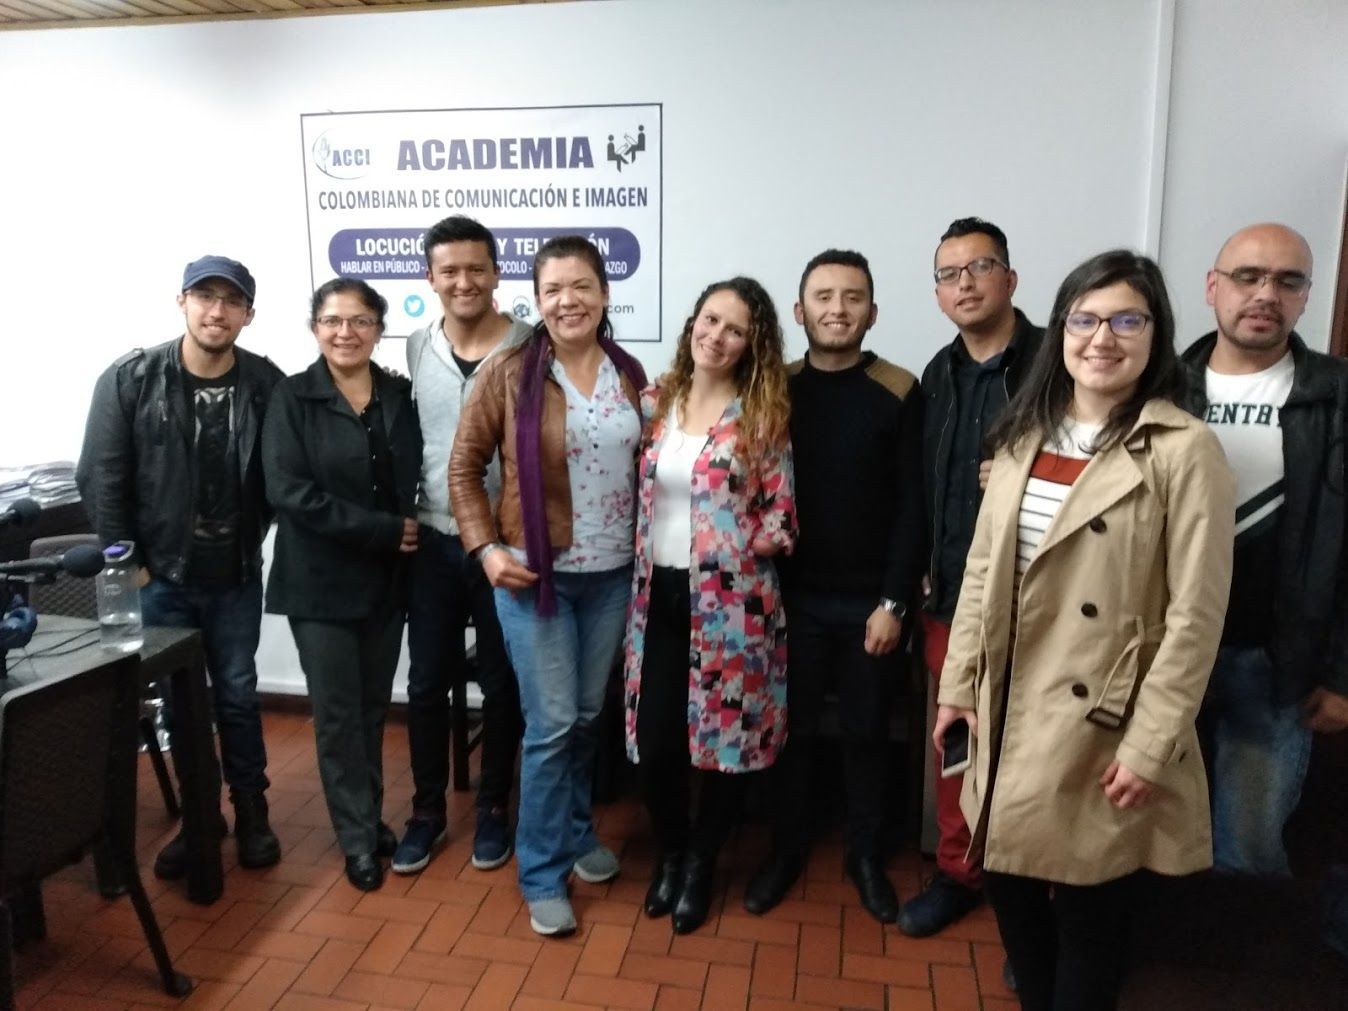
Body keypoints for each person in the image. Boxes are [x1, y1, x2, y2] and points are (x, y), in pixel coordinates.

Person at [935, 250, 1234, 1010]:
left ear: (1156, 334)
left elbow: (1196, 616)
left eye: (1127, 320)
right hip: (1007, 709)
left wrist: (1151, 741)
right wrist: (958, 686)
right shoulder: (1023, 434)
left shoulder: (1183, 449)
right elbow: (981, 572)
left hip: (1103, 720)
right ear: (1060, 331)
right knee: (1009, 889)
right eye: (1085, 319)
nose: (1103, 338)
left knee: (1090, 918)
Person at [450, 235, 646, 937]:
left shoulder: (628, 372)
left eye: (582, 286)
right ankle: (540, 870)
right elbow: (463, 468)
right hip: (536, 578)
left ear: (604, 293)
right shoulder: (507, 372)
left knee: (587, 717)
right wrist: (484, 549)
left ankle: (573, 832)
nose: (569, 301)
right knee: (553, 723)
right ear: (536, 300)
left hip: (612, 575)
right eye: (554, 289)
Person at [76, 255, 283, 879]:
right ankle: (201, 818)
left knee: (238, 696)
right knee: (178, 703)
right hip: (161, 579)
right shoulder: (131, 379)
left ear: (249, 314)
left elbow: (284, 473)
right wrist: (133, 566)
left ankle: (251, 811)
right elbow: (100, 477)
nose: (216, 311)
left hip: (235, 577)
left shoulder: (265, 383)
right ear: (182, 302)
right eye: (204, 296)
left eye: (231, 301)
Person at [744, 249, 924, 924]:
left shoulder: (899, 390)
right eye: (823, 296)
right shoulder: (775, 389)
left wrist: (894, 603)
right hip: (789, 602)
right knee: (787, 732)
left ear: (872, 313)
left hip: (870, 604)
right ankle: (785, 849)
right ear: (800, 311)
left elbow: (914, 508)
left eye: (853, 297)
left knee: (866, 731)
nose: (838, 309)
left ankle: (866, 855)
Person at [625, 277, 797, 935]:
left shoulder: (761, 416)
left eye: (735, 329)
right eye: (711, 319)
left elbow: (783, 514)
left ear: (752, 344)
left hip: (732, 606)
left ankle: (700, 864)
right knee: (655, 743)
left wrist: (741, 543)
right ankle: (671, 852)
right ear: (693, 321)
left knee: (727, 744)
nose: (717, 336)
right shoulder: (656, 402)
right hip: (656, 597)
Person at [1180, 223, 1348, 879]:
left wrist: (1342, 675)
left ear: (1306, 294)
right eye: (1248, 276)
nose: (1265, 294)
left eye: (1287, 280)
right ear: (1212, 287)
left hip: (1278, 667)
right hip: (1166, 659)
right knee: (1146, 835)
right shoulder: (1159, 387)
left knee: (1247, 850)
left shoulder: (1337, 395)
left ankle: (1233, 951)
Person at [902, 218, 1044, 939]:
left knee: (1036, 749)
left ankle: (1038, 899)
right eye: (949, 273)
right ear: (937, 293)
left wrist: (1031, 473)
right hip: (952, 598)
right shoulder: (936, 375)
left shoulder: (1059, 362)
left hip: (1040, 604)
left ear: (1010, 279)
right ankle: (960, 872)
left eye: (980, 267)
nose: (965, 283)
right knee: (956, 743)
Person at [262, 278, 421, 892]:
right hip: (319, 584)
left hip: (386, 581)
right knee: (336, 716)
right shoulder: (292, 397)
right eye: (332, 320)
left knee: (372, 708)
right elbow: (289, 492)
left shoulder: (399, 395)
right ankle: (356, 838)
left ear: (379, 329)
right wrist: (383, 530)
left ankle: (369, 816)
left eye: (359, 320)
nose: (345, 332)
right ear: (315, 328)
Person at [395, 216, 530, 875]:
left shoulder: (530, 345)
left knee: (503, 684)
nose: (464, 281)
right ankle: (426, 812)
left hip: (505, 545)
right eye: (449, 270)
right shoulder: (418, 345)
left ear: (497, 272)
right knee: (425, 682)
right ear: (430, 277)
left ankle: (495, 807)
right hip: (434, 542)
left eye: (477, 268)